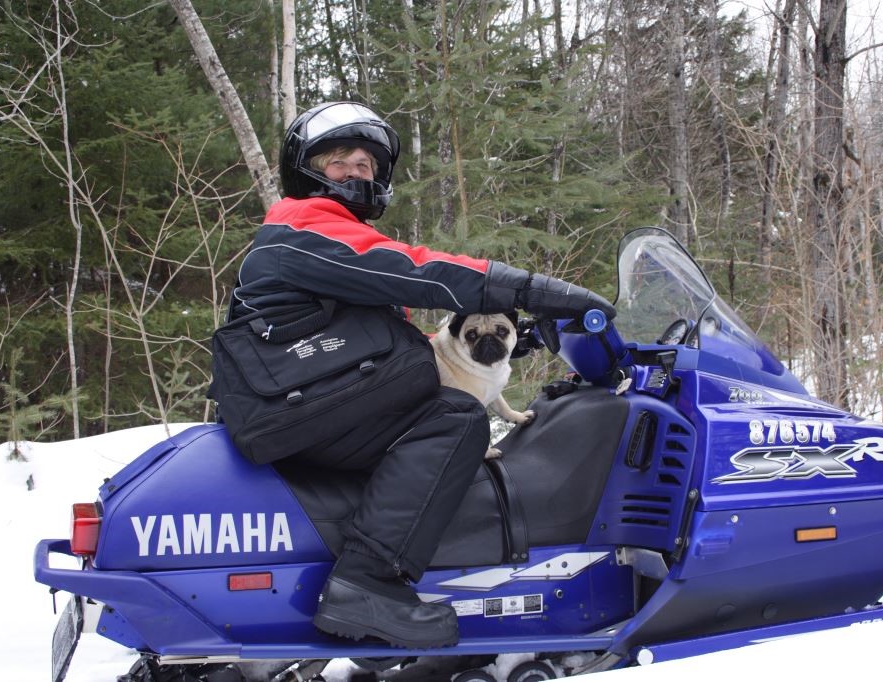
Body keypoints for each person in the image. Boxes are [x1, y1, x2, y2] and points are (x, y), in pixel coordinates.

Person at [228, 101, 615, 649]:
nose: (356, 172)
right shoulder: (302, 228)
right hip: (287, 411)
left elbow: (381, 348)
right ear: (308, 168)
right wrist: (529, 290)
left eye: (366, 165)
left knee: (448, 406)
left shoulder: (327, 240)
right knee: (456, 419)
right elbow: (415, 270)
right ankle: (367, 582)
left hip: (299, 401)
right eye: (340, 160)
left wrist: (512, 346)